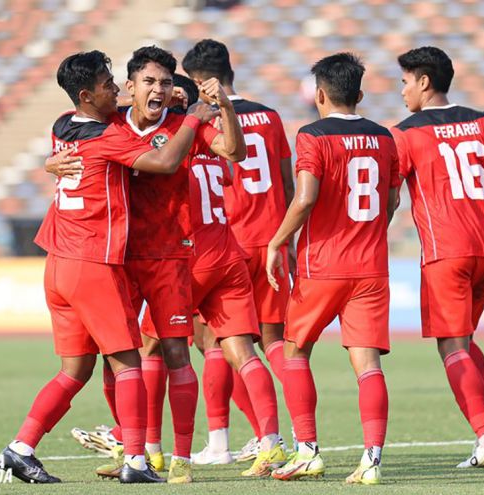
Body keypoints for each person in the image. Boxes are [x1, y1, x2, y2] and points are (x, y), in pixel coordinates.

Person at [0, 50, 217, 484]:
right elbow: (165, 162)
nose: (115, 89)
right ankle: (136, 461)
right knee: (129, 363)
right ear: (86, 94)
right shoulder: (106, 137)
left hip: (58, 260)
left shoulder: (64, 124)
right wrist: (192, 116)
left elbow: (76, 140)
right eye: (106, 84)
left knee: (75, 369)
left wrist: (48, 161)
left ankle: (20, 448)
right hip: (92, 261)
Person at [390, 46, 484, 468]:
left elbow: (391, 194)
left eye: (405, 82)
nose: (402, 91)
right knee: (464, 339)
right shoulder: (482, 120)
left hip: (445, 250)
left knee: (450, 344)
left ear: (424, 82)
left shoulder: (406, 133)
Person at [266, 52, 400, 484]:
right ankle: (371, 462)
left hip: (322, 264)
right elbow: (393, 201)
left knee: (295, 352)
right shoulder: (384, 138)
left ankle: (307, 450)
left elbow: (304, 197)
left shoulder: (312, 135)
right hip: (371, 267)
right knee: (368, 366)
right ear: (359, 94)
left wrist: (278, 239)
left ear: (320, 94)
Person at [182, 38, 295, 464]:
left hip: (224, 243)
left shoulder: (204, 119)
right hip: (271, 240)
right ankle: (295, 435)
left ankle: (220, 442)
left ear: (199, 81)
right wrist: (289, 242)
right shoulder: (270, 116)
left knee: (213, 340)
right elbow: (285, 182)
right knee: (274, 342)